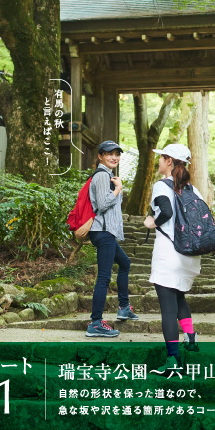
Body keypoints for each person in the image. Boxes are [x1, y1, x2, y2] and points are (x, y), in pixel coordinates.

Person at [144, 143, 203, 375]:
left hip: (169, 253)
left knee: (167, 308)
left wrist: (151, 222)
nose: (158, 161)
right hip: (188, 255)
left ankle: (173, 361)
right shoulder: (192, 189)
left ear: (170, 162)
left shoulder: (161, 186)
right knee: (179, 297)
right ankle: (191, 338)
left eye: (162, 158)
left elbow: (166, 212)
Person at [86, 141, 139, 337]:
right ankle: (96, 323)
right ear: (100, 156)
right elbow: (102, 203)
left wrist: (117, 188)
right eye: (109, 154)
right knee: (104, 277)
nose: (114, 157)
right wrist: (117, 189)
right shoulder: (101, 176)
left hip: (107, 231)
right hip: (102, 231)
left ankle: (124, 307)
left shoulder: (110, 176)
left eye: (117, 154)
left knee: (125, 262)